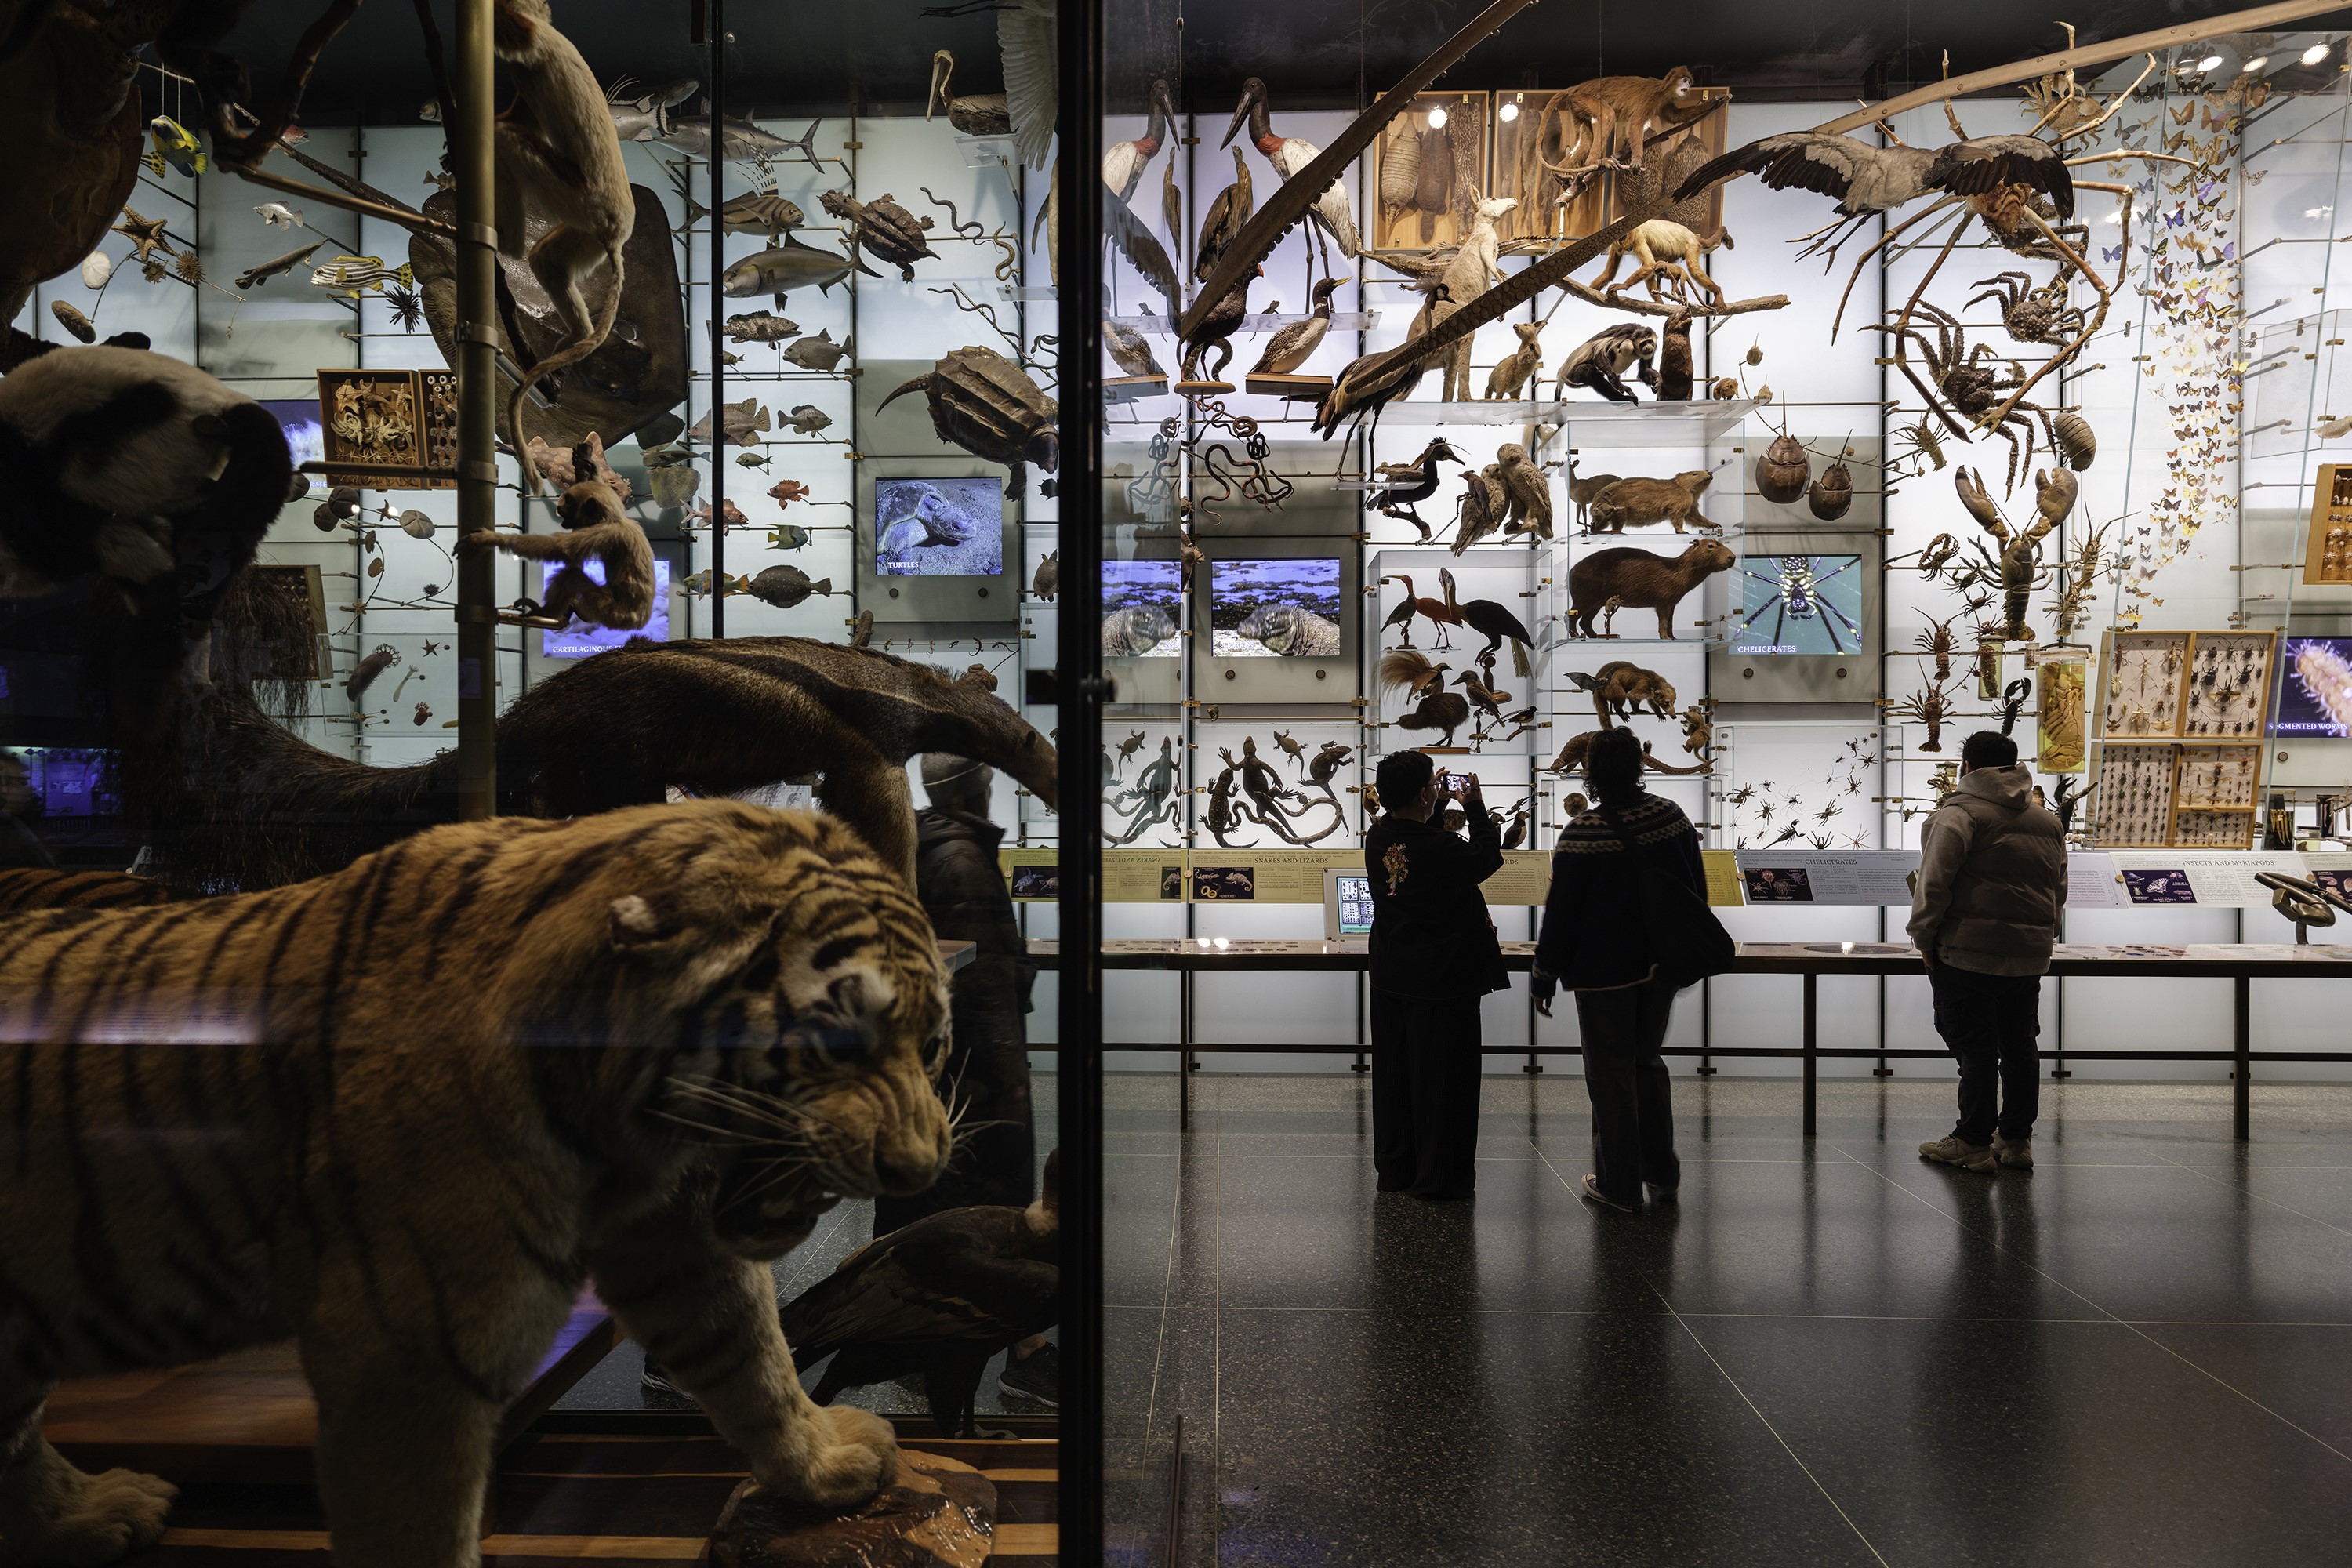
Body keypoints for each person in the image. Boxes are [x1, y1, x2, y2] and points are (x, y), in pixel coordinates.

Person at [900, 753, 1054, 1406]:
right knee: (989, 1198)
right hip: (976, 1063)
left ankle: (927, 1338)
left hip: (953, 1056)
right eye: (988, 785)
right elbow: (982, 980)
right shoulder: (960, 859)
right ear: (970, 791)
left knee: (941, 1194)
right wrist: (1009, 1071)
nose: (994, 794)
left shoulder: (932, 846)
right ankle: (1019, 1350)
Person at [1528, 727, 1706, 1214]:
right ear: (1638, 765)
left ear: (1592, 772)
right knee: (1647, 1066)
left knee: (1610, 1077)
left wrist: (1543, 976)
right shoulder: (1670, 816)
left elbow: (1561, 914)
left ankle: (1619, 1185)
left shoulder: (1583, 832)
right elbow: (1695, 889)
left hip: (1604, 976)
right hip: (1661, 968)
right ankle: (1663, 1177)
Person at [1907, 730, 2068, 1174]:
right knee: (2020, 1045)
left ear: (1967, 767)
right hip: (2027, 955)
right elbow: (2058, 888)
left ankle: (1972, 1142)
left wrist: (1924, 938)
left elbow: (1933, 884)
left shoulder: (1959, 815)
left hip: (1967, 952)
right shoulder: (2047, 821)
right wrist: (2043, 937)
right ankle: (2016, 1141)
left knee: (1974, 1046)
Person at [1360, 750, 1505, 1200]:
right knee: (1445, 1080)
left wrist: (1435, 804)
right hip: (1442, 980)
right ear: (1424, 791)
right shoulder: (1441, 847)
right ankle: (1440, 1177)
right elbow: (1484, 858)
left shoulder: (1378, 835)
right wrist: (1475, 806)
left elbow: (1418, 841)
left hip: (1391, 974)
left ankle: (1397, 1169)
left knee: (1396, 1077)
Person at [0, 750, 54, 872]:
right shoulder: (10, 827)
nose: (25, 791)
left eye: (23, 783)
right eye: (8, 782)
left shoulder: (15, 823)